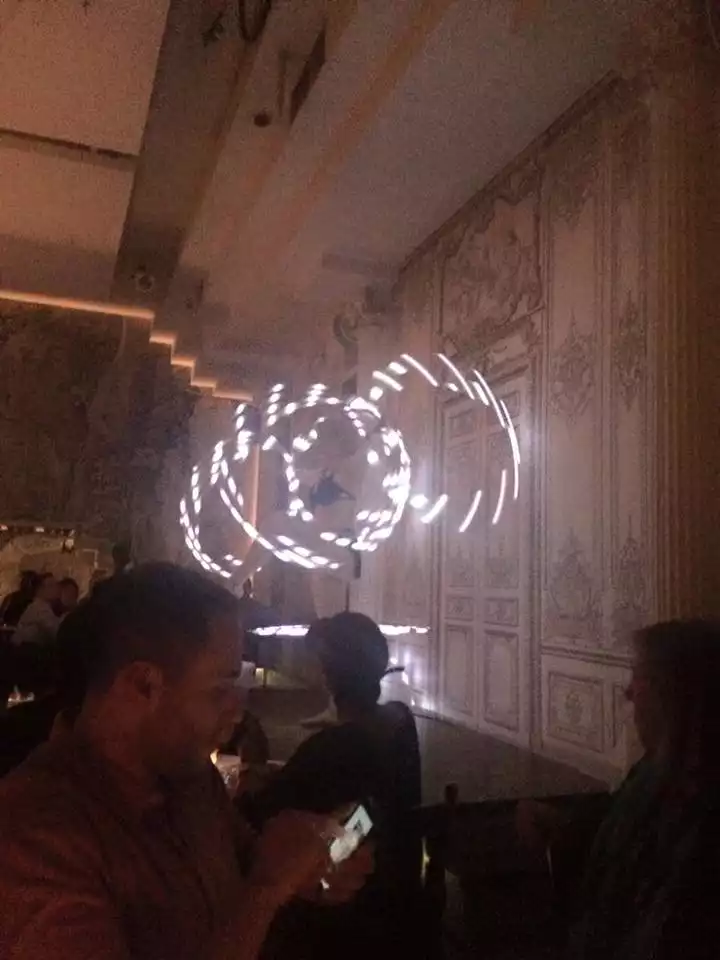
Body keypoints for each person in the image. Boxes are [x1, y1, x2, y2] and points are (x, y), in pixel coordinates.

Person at [0, 564, 372, 960]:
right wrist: (266, 891)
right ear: (143, 685)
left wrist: (307, 866)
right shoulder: (35, 842)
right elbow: (258, 890)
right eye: (219, 689)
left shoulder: (190, 777)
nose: (237, 712)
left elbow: (247, 865)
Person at [520, 620, 720, 960]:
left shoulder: (702, 822)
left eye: (639, 677)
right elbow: (613, 829)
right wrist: (561, 827)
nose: (628, 692)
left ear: (671, 695)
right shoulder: (655, 773)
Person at [240, 612, 422, 959]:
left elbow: (260, 819)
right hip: (391, 895)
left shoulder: (332, 748)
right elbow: (359, 808)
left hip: (337, 915)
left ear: (327, 673)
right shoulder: (398, 718)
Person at [12, 573, 60, 646]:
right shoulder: (40, 608)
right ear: (39, 590)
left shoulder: (40, 606)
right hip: (29, 651)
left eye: (56, 585)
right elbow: (56, 632)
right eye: (50, 585)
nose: (56, 589)